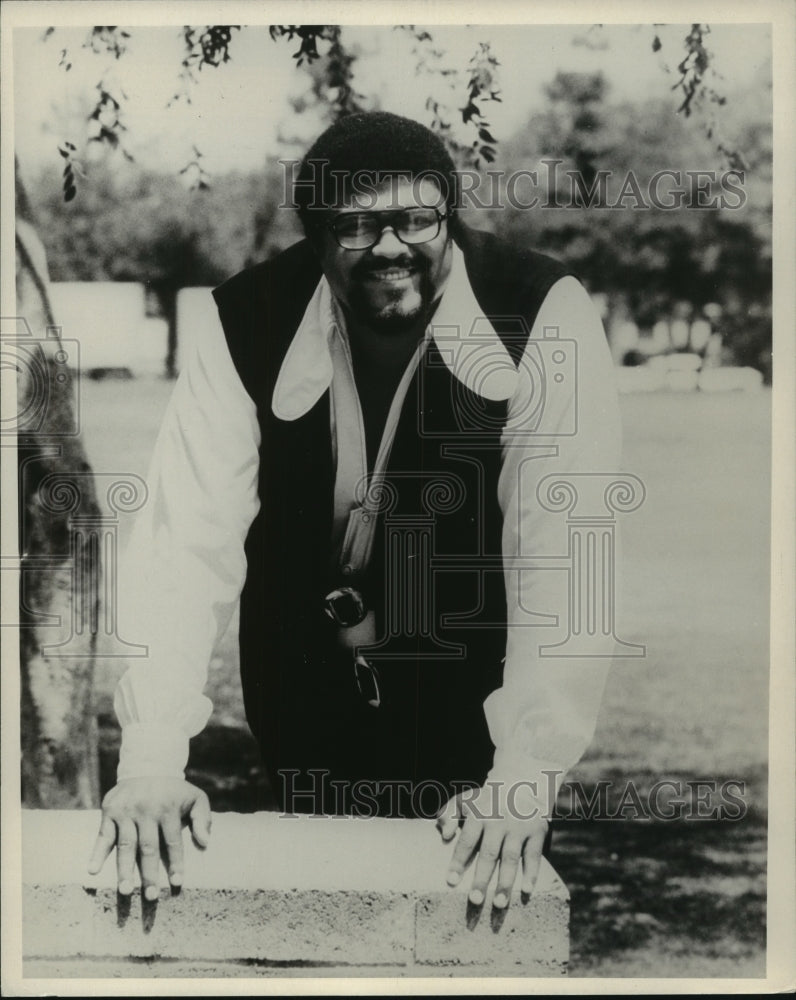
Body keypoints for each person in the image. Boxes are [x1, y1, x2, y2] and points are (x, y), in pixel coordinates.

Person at [88, 111, 622, 911]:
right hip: (300, 686)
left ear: (450, 214)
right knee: (324, 921)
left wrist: (524, 774)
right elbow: (183, 544)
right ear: (314, 235)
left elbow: (564, 558)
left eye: (416, 218)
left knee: (471, 916)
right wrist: (153, 762)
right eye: (356, 226)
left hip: (463, 683)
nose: (391, 246)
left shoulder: (543, 312)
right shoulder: (244, 318)